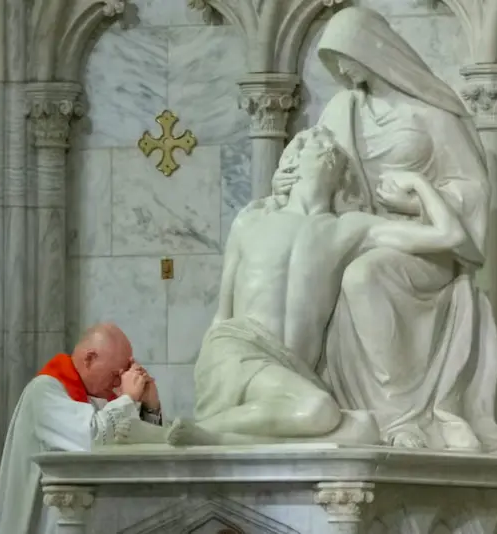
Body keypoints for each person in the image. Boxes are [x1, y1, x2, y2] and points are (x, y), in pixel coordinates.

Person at [272, 6, 497, 454]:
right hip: (357, 233)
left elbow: (475, 190)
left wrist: (417, 199)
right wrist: (282, 182)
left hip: (424, 246)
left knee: (364, 277)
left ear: (372, 51)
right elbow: (308, 163)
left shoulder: (432, 116)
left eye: (344, 55)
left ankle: (400, 416)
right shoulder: (341, 109)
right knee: (291, 269)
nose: (341, 69)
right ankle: (288, 397)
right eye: (332, 60)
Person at [165, 125, 475, 447]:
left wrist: (417, 183)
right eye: (312, 143)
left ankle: (211, 434)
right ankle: (201, 432)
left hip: (293, 373)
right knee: (318, 410)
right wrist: (209, 369)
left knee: (364, 429)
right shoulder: (252, 220)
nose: (327, 145)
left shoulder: (349, 228)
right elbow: (223, 313)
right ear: (291, 163)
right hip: (237, 351)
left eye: (329, 145)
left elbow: (451, 236)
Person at [0, 323, 165, 534]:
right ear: (89, 359)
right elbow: (93, 439)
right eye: (116, 374)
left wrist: (149, 406)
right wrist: (127, 399)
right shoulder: (45, 391)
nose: (119, 382)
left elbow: (134, 451)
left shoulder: (102, 400)